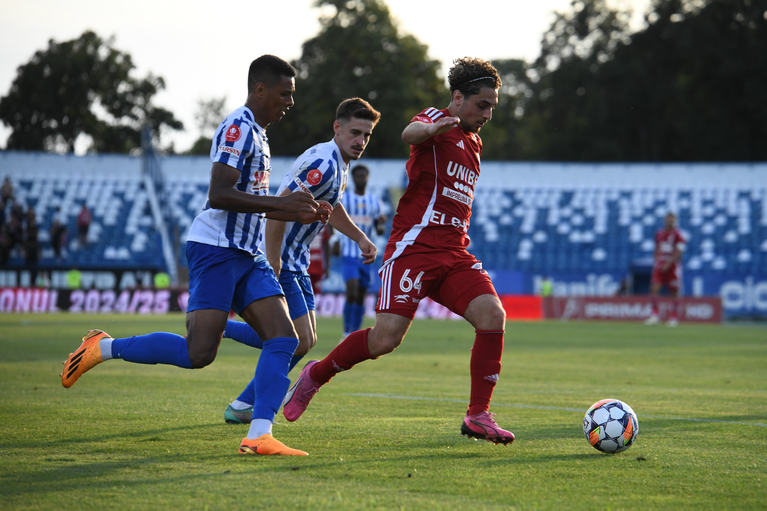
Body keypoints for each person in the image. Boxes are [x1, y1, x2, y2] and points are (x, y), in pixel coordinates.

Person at [60, 55, 325, 456]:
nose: (290, 102)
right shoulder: (238, 127)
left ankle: (258, 433)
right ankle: (103, 346)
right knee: (197, 353)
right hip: (217, 249)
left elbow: (250, 200)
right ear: (260, 89)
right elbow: (219, 195)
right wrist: (285, 205)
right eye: (284, 93)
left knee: (285, 338)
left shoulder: (261, 134)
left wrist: (291, 208)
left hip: (247, 253)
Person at [282, 57, 515, 446]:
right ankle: (315, 375)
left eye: (493, 106)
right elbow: (411, 132)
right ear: (458, 98)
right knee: (385, 340)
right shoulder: (437, 120)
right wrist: (431, 127)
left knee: (493, 316)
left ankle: (478, 415)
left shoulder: (474, 141)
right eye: (482, 104)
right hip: (414, 250)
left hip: (455, 253)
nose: (488, 113)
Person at [222, 97, 380, 424]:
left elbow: (330, 205)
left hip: (298, 260)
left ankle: (240, 390)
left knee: (303, 340)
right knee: (296, 339)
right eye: (355, 132)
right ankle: (246, 404)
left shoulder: (338, 163)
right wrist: (274, 262)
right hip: (284, 260)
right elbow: (279, 208)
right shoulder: (324, 163)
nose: (360, 141)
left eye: (366, 135)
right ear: (337, 127)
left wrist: (360, 237)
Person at [338, 164, 386, 338]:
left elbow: (379, 230)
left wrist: (381, 223)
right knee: (352, 290)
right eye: (358, 176)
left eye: (363, 176)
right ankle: (346, 331)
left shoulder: (374, 202)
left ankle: (354, 332)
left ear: (367, 178)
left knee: (360, 294)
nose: (361, 179)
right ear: (353, 178)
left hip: (365, 255)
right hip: (349, 253)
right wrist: (335, 240)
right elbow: (334, 221)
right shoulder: (345, 199)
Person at [645, 212, 686, 326]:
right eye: (668, 219)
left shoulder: (679, 235)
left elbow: (679, 251)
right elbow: (657, 248)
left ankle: (674, 317)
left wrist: (668, 263)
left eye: (672, 219)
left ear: (675, 221)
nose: (670, 221)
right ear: (665, 220)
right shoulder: (659, 234)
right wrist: (656, 261)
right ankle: (654, 315)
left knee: (674, 291)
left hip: (673, 266)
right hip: (660, 264)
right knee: (654, 287)